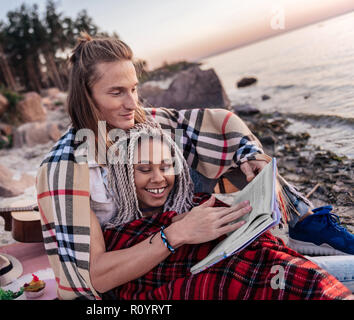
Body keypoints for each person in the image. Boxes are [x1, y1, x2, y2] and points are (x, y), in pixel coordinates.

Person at [35, 32, 354, 300]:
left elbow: (219, 121)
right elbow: (94, 277)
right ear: (86, 96)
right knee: (307, 282)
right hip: (147, 275)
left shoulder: (142, 123)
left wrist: (250, 154)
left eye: (134, 88)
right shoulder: (65, 169)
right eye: (117, 92)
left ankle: (304, 223)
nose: (133, 103)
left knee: (286, 264)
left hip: (193, 244)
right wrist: (176, 234)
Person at [98, 121, 353, 299]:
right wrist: (178, 232)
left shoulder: (194, 201)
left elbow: (220, 122)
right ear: (124, 176)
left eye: (166, 167)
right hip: (253, 282)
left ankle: (303, 235)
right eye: (144, 170)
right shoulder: (119, 236)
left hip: (279, 267)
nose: (159, 178)